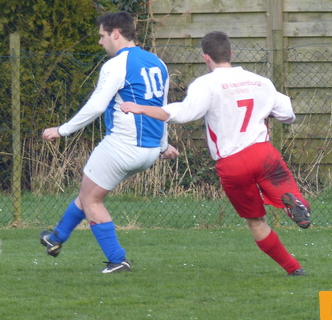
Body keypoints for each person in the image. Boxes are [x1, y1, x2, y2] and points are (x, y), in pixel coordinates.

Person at [121, 31, 310, 275]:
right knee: (292, 194)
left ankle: (293, 268)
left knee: (256, 221)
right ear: (231, 53)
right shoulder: (260, 82)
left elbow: (183, 113)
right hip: (263, 154)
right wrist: (267, 112)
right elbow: (287, 115)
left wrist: (142, 108)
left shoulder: (206, 84)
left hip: (232, 163)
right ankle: (294, 203)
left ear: (206, 57)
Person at [40, 11, 179, 273]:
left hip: (122, 145)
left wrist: (63, 130)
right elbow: (162, 109)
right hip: (147, 151)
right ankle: (55, 238)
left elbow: (96, 107)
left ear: (116, 34)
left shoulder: (117, 64)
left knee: (92, 201)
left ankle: (118, 259)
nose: (100, 42)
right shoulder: (158, 63)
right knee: (88, 193)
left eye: (102, 36)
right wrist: (162, 146)